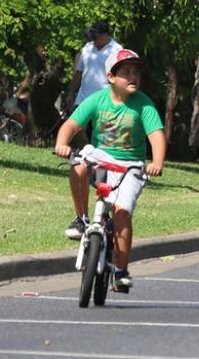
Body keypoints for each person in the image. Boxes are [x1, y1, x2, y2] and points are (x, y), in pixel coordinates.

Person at [54, 49, 166, 291]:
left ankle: (120, 271)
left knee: (122, 213)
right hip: (101, 157)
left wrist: (157, 162)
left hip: (131, 164)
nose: (133, 77)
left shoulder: (144, 105)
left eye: (136, 72)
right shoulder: (97, 99)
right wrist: (61, 144)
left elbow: (156, 136)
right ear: (111, 77)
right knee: (79, 164)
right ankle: (81, 219)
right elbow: (72, 124)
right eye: (126, 72)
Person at [63, 21, 122, 237]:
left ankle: (96, 169)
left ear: (106, 35)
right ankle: (86, 162)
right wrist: (71, 93)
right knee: (79, 140)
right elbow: (78, 74)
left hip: (105, 104)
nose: (93, 39)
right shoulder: (86, 49)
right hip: (83, 100)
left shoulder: (116, 51)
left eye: (96, 35)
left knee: (103, 145)